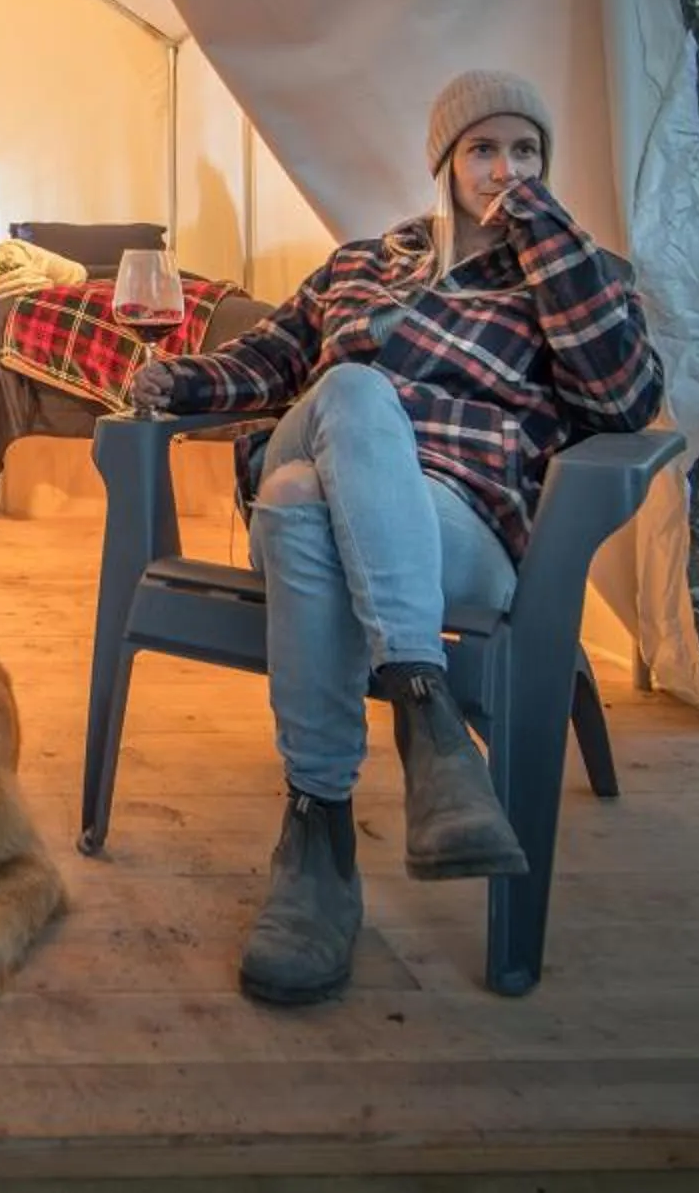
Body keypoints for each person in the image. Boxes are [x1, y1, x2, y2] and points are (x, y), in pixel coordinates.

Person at [125, 69, 664, 1006]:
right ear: (446, 164)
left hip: (463, 513)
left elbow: (623, 397)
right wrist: (180, 382)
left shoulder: (572, 274)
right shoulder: (363, 262)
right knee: (349, 389)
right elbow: (273, 360)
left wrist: (544, 233)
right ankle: (429, 720)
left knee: (295, 501)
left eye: (526, 151)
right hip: (334, 429)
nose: (506, 170)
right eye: (484, 150)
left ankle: (319, 837)